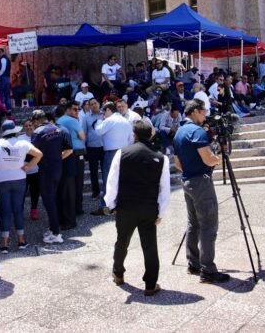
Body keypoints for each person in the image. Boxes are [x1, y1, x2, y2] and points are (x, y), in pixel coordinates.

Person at [105, 120, 171, 297]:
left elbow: (112, 181)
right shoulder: (161, 157)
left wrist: (111, 204)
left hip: (126, 205)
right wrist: (161, 211)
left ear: (134, 135)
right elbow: (165, 189)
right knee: (149, 246)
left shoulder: (122, 153)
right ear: (151, 134)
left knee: (122, 241)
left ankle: (118, 273)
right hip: (149, 207)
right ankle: (150, 284)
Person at [173, 98, 230, 283]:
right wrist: (218, 157)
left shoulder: (180, 131)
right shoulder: (196, 131)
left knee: (193, 223)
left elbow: (177, 163)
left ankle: (194, 263)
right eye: (204, 111)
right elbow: (208, 159)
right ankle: (208, 270)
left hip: (187, 180)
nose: (205, 115)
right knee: (208, 224)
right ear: (196, 111)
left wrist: (191, 170)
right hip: (200, 183)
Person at [0, 121, 43, 253]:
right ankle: (21, 241)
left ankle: (4, 244)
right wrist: (28, 166)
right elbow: (39, 154)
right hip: (19, 178)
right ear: (16, 131)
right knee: (18, 209)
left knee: (5, 210)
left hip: (1, 179)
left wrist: (1, 166)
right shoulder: (23, 143)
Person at [30, 109, 73, 243]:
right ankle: (53, 228)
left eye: (33, 122)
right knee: (52, 199)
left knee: (48, 201)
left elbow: (32, 152)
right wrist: (57, 159)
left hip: (46, 170)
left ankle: (55, 233)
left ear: (36, 121)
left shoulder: (38, 132)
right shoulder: (59, 130)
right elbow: (69, 149)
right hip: (58, 169)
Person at [93, 102, 133, 215]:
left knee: (109, 180)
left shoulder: (109, 120)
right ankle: (122, 205)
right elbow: (130, 139)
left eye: (104, 112)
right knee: (122, 179)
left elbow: (98, 131)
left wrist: (100, 120)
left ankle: (106, 207)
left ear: (108, 110)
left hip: (111, 153)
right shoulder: (125, 121)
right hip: (125, 152)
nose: (103, 114)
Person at [57, 101, 86, 219]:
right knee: (78, 182)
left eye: (78, 109)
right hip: (76, 153)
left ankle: (70, 209)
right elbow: (82, 136)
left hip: (66, 154)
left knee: (69, 184)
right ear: (67, 110)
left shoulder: (59, 120)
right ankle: (77, 209)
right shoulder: (72, 121)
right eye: (74, 109)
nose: (77, 111)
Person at [18, 120, 41, 219]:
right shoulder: (20, 138)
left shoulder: (39, 137)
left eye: (30, 125)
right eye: (26, 125)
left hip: (36, 170)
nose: (28, 127)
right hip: (23, 170)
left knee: (35, 192)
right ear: (24, 127)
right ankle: (20, 212)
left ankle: (34, 210)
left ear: (34, 126)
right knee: (21, 193)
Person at [82, 99, 104, 199]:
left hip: (104, 146)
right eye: (91, 104)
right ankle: (96, 191)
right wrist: (83, 146)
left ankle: (108, 191)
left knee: (106, 170)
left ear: (99, 104)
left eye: (95, 103)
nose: (94, 105)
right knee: (93, 171)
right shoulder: (86, 117)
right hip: (91, 147)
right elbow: (84, 133)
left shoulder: (105, 115)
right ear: (89, 106)